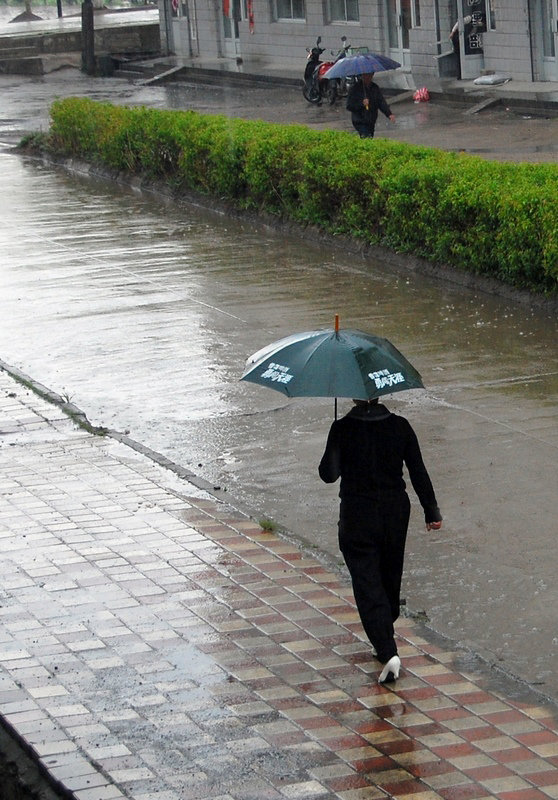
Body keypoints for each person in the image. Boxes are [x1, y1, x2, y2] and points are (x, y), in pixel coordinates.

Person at [318, 398, 442, 684]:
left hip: (357, 515)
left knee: (366, 581)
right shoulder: (400, 426)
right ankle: (383, 636)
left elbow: (328, 475)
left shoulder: (343, 428)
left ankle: (388, 651)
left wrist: (336, 437)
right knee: (389, 575)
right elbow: (418, 470)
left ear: (354, 397)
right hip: (394, 512)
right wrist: (431, 510)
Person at [346, 72, 395, 138]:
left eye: (370, 75)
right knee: (366, 137)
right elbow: (349, 105)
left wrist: (389, 114)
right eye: (366, 75)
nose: (368, 77)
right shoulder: (355, 88)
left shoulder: (375, 87)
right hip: (360, 120)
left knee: (370, 137)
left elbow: (381, 102)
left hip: (371, 120)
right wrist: (361, 103)